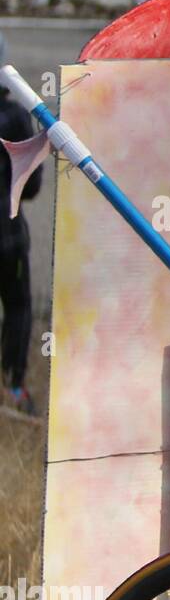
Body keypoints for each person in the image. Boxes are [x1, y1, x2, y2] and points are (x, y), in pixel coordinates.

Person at [0, 32, 43, 415]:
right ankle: (12, 388)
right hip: (8, 237)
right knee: (17, 307)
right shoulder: (15, 117)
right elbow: (31, 187)